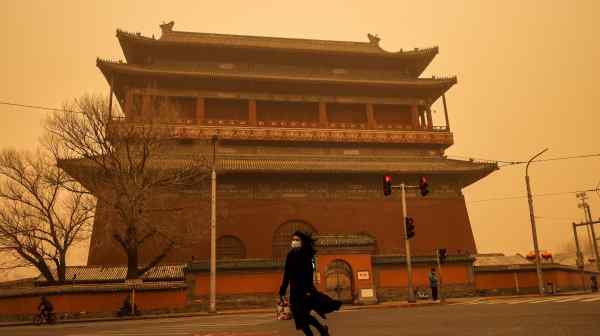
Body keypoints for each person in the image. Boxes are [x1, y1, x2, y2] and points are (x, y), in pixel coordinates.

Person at [279, 231, 341, 336]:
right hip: (294, 291)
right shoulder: (290, 255)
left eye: (297, 240)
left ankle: (320, 330)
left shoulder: (306, 256)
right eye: (293, 240)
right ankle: (322, 329)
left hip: (305, 290)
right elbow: (287, 274)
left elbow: (309, 273)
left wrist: (308, 289)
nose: (294, 242)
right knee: (299, 319)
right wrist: (282, 290)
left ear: (302, 242)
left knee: (303, 316)